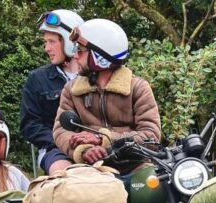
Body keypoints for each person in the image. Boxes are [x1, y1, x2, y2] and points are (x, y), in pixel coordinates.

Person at [51, 18, 161, 175]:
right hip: (92, 169)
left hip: (135, 166)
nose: (75, 56)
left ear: (99, 56)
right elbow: (61, 131)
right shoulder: (71, 90)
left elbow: (151, 135)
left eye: (80, 50)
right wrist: (84, 151)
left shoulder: (137, 88)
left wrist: (102, 139)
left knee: (152, 192)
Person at [20, 9, 84, 174]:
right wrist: (65, 141)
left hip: (96, 146)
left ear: (71, 42)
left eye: (51, 41)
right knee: (66, 176)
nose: (46, 48)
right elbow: (30, 125)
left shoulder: (95, 77)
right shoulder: (37, 79)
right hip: (55, 150)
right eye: (45, 42)